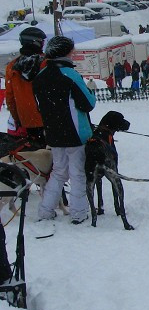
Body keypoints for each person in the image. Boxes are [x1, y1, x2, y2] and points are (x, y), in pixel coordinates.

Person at [32, 36, 96, 224]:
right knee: (77, 173)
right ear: (66, 52)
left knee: (59, 172)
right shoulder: (70, 75)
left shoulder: (40, 76)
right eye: (72, 50)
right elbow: (88, 103)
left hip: (53, 133)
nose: (74, 53)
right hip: (76, 133)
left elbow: (39, 107)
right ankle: (78, 213)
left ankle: (45, 211)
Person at [4, 26, 47, 141]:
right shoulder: (46, 63)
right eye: (42, 41)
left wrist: (18, 118)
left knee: (35, 153)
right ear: (36, 43)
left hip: (26, 119)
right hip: (49, 117)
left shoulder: (12, 66)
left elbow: (10, 98)